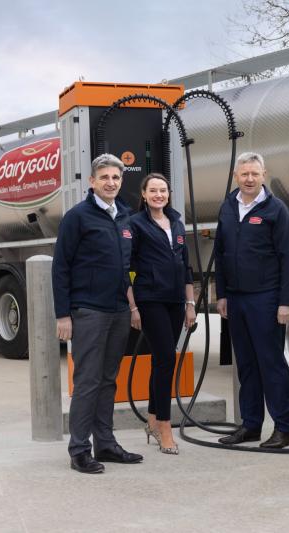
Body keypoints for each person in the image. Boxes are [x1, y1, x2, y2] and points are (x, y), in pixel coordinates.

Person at [52, 153, 143, 474]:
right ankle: (79, 449)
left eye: (116, 178)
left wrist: (133, 306)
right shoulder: (78, 217)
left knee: (108, 380)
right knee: (88, 381)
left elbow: (128, 267)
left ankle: (105, 443)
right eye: (104, 177)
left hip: (118, 310)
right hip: (89, 311)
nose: (111, 183)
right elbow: (61, 266)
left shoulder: (126, 217)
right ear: (92, 182)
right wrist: (63, 315)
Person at [214, 152, 289, 449]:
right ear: (237, 176)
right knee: (246, 365)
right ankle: (250, 425)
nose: (249, 179)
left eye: (255, 174)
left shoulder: (276, 210)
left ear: (264, 175)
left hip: (266, 298)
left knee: (271, 364)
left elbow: (288, 259)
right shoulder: (227, 207)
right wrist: (221, 294)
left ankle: (283, 428)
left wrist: (285, 302)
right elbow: (220, 256)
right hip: (236, 299)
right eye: (244, 174)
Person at [127, 173, 196, 455]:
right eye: (153, 190)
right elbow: (126, 269)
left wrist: (190, 304)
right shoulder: (135, 225)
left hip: (175, 301)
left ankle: (153, 420)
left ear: (168, 194)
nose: (159, 195)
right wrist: (133, 307)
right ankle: (165, 427)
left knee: (162, 361)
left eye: (163, 190)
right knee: (167, 358)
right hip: (150, 299)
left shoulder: (177, 223)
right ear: (143, 194)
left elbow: (186, 266)